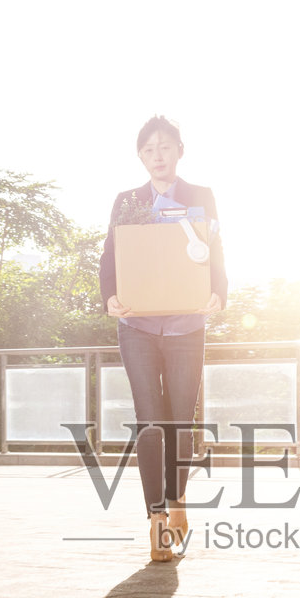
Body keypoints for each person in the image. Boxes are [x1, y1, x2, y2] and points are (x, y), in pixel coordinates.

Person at [99, 115, 227, 562]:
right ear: (141, 156)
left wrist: (218, 292)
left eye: (165, 147)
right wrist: (110, 296)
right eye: (149, 149)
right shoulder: (127, 200)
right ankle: (156, 520)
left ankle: (178, 502)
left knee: (180, 421)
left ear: (179, 151)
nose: (158, 155)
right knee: (150, 422)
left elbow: (215, 250)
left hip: (186, 325)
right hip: (137, 326)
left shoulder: (201, 196)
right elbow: (111, 254)